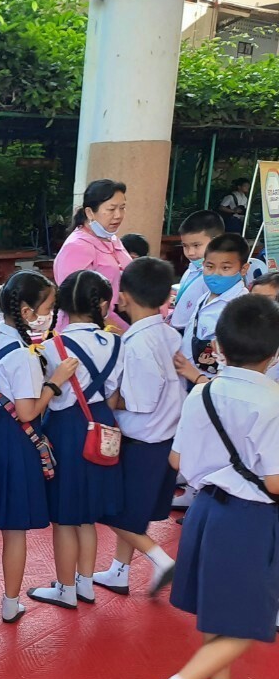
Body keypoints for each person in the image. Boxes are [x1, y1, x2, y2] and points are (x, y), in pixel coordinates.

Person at [145, 295, 279, 679]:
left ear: (217, 346)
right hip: (250, 520)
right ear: (276, 351)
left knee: (219, 613)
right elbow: (275, 481)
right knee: (249, 623)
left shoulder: (202, 393)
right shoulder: (274, 401)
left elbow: (178, 460)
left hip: (205, 511)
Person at [0, 271, 79, 625]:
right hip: (15, 438)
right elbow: (27, 411)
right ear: (27, 311)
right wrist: (54, 383)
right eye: (48, 306)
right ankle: (11, 603)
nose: (51, 313)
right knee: (14, 528)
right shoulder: (24, 356)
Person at [29, 270, 124, 611]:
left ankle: (65, 588)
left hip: (66, 429)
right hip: (102, 425)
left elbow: (43, 395)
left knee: (64, 516)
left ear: (63, 305)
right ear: (103, 304)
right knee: (86, 515)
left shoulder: (51, 347)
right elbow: (114, 393)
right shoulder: (116, 342)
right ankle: (85, 583)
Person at [95, 258, 185, 596]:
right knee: (131, 513)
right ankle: (119, 570)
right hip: (164, 438)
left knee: (113, 512)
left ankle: (161, 560)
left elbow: (141, 402)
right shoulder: (169, 334)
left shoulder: (137, 345)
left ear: (125, 297)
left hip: (140, 443)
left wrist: (106, 398)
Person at [53, 179, 132, 330]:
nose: (118, 215)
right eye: (111, 209)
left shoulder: (112, 239)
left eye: (122, 208)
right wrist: (121, 331)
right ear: (90, 212)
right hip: (88, 328)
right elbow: (79, 303)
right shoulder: (76, 247)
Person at [173, 233, 250, 386]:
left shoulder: (242, 308)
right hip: (188, 376)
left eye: (225, 268)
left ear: (243, 269)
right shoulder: (206, 296)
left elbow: (236, 364)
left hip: (208, 384)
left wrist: (197, 377)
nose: (215, 273)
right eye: (209, 266)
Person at [168, 210, 224, 334]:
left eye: (196, 245)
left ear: (217, 242)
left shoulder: (217, 278)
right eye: (185, 246)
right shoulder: (192, 268)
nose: (190, 253)